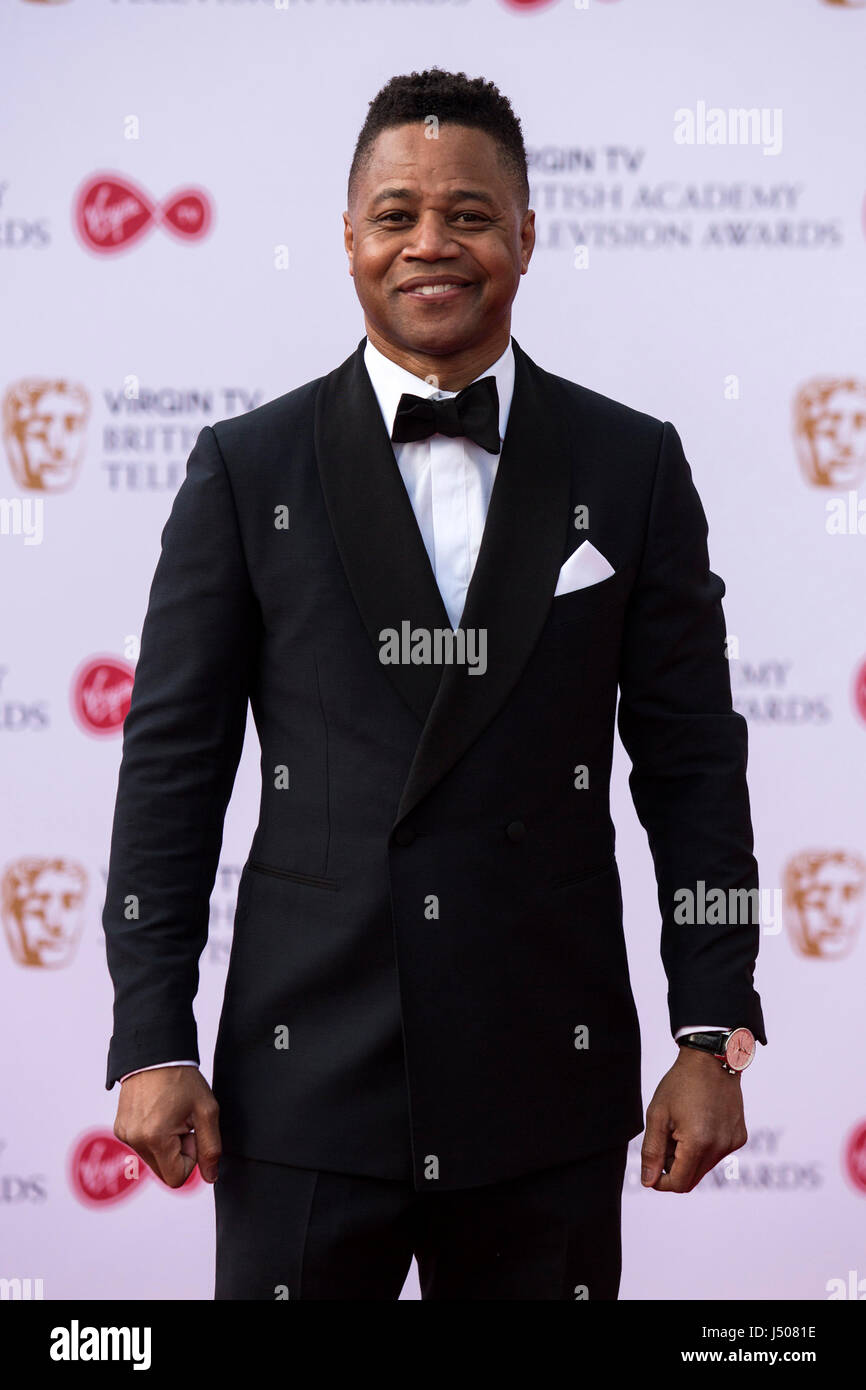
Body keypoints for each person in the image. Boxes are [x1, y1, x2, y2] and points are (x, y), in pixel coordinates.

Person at [102, 67, 767, 1301]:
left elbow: (691, 768)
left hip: (541, 1080)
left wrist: (709, 1032)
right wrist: (150, 1035)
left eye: (466, 214)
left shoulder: (630, 464)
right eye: (396, 213)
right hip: (304, 1082)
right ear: (347, 238)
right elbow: (172, 769)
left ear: (524, 235)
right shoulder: (249, 468)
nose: (430, 243)